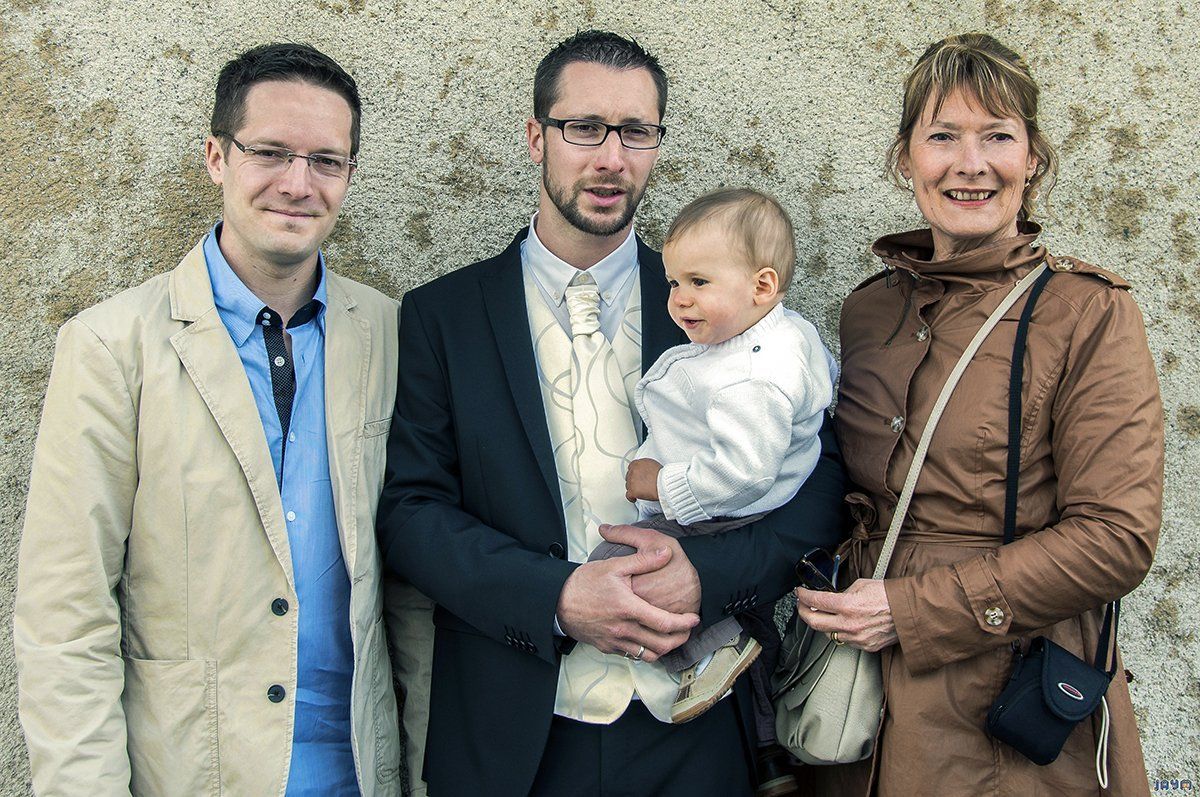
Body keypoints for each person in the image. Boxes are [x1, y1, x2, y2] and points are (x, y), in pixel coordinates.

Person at [376, 30, 845, 797]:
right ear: (537, 137)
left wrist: (707, 578)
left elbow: (821, 485)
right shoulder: (442, 315)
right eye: (583, 127)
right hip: (514, 730)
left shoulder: (735, 310)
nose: (610, 157)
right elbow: (409, 513)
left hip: (697, 731)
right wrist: (556, 597)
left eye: (636, 132)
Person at [13, 43, 432, 796]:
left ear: (349, 176)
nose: (297, 184)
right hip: (190, 775)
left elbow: (414, 590)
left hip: (360, 773)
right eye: (269, 152)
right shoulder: (112, 347)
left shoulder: (396, 336)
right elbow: (65, 620)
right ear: (216, 156)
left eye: (326, 161)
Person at [794, 33, 1163, 796]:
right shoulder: (870, 311)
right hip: (856, 711)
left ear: (1032, 157)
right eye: (942, 136)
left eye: (998, 136)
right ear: (906, 159)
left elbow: (1116, 538)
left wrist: (912, 608)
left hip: (1003, 717)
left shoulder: (1087, 312)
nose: (972, 163)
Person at [590, 187, 837, 729]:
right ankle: (762, 727)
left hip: (726, 504)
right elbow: (824, 385)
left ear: (762, 286)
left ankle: (713, 648)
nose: (679, 299)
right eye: (675, 282)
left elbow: (743, 473)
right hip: (744, 498)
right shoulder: (788, 333)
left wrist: (662, 486)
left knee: (613, 565)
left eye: (698, 283)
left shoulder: (751, 379)